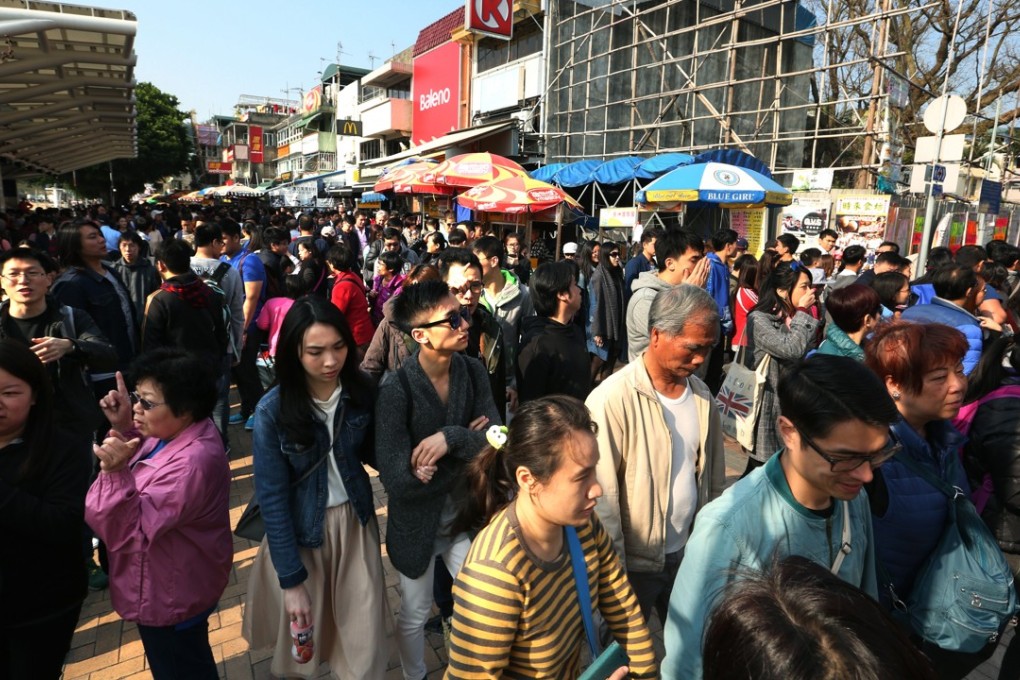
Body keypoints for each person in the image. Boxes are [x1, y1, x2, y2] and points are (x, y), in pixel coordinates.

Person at [662, 355, 898, 679]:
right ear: (789, 432)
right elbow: (686, 663)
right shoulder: (727, 530)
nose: (866, 475)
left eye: (876, 455)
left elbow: (865, 607)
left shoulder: (851, 501)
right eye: (845, 457)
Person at [444, 395, 657, 679]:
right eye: (582, 477)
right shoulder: (494, 577)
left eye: (595, 470)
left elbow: (623, 607)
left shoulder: (581, 524)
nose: (597, 490)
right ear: (528, 479)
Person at [242, 296, 389, 678]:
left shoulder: (360, 392)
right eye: (315, 352)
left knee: (364, 643)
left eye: (338, 347)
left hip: (355, 526)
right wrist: (290, 581)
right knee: (301, 652)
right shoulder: (274, 409)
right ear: (293, 351)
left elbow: (380, 454)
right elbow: (272, 496)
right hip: (300, 535)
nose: (330, 361)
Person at [862, 322, 1007, 675]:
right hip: (881, 632)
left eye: (959, 370)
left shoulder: (944, 440)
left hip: (929, 623)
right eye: (939, 377)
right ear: (892, 384)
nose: (958, 385)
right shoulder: (870, 458)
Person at [378, 280, 501, 680]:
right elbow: (396, 477)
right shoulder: (396, 389)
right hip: (415, 522)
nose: (464, 322)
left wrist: (449, 439)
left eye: (463, 314)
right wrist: (471, 444)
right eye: (452, 319)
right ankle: (416, 675)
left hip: (464, 515)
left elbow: (498, 438)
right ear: (420, 336)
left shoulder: (472, 369)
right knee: (414, 612)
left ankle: (470, 669)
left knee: (481, 598)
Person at [86, 349, 232, 679]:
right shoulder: (178, 434)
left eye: (148, 403)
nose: (137, 407)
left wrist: (113, 472)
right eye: (137, 397)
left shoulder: (191, 465)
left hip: (169, 594)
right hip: (175, 582)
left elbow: (126, 532)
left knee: (180, 668)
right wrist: (125, 427)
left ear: (186, 409)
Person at [588, 285, 727, 624]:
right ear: (656, 334)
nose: (700, 360)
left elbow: (714, 479)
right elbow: (603, 500)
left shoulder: (702, 395)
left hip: (689, 551)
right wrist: (614, 573)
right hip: (635, 564)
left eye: (707, 349)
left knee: (689, 643)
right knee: (623, 652)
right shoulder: (611, 400)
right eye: (693, 348)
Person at [0, 341, 89, 679]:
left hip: (41, 609)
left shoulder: (63, 449)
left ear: (35, 395)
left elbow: (63, 525)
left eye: (10, 392)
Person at [702, 555, 937, 680]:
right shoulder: (725, 525)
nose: (866, 475)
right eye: (840, 460)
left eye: (871, 460)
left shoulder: (856, 505)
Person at [746, 262, 820, 471]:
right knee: (764, 466)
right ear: (782, 291)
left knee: (777, 466)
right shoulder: (759, 319)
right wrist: (804, 311)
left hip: (793, 401)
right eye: (804, 287)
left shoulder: (796, 315)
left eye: (810, 286)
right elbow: (792, 349)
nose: (810, 291)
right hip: (769, 403)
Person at [53, 220, 137, 372]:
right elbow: (70, 334)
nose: (101, 240)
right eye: (92, 237)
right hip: (101, 371)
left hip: (128, 360)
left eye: (100, 235)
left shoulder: (111, 271)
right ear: (75, 245)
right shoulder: (71, 284)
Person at [438, 248, 508, 416]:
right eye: (459, 288)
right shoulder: (429, 330)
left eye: (475, 286)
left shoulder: (491, 328)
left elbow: (497, 391)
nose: (468, 295)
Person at [143, 239, 227, 372]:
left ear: (160, 265)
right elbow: (221, 334)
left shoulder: (158, 299)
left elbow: (151, 346)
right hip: (208, 369)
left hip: (176, 374)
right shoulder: (208, 291)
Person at [472, 235, 535, 411]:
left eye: (476, 260)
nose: (472, 266)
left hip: (507, 384)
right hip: (475, 381)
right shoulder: (469, 294)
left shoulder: (522, 295)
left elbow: (529, 343)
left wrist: (516, 383)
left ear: (494, 261)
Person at [627, 229, 709, 361]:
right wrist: (690, 294)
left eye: (702, 259)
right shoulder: (645, 299)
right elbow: (675, 340)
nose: (702, 266)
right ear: (670, 263)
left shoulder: (683, 290)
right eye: (694, 260)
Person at [516, 260, 590, 402]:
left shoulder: (575, 331)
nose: (580, 290)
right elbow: (531, 406)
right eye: (574, 285)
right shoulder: (537, 345)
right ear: (562, 294)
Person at [901, 264, 990, 374]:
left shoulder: (910, 311)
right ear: (969, 292)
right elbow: (966, 372)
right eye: (984, 290)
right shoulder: (969, 327)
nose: (985, 294)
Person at [221, 218, 267, 430]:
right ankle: (246, 408)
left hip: (250, 325)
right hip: (231, 325)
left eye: (223, 239)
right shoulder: (223, 259)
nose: (220, 244)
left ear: (236, 238)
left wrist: (244, 329)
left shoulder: (249, 261)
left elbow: (252, 297)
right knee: (237, 371)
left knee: (247, 370)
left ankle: (259, 411)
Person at [360, 264, 441, 382]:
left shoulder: (448, 324)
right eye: (411, 291)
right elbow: (371, 366)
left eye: (423, 292)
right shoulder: (390, 323)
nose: (416, 297)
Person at [325, 241, 375, 354]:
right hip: (365, 330)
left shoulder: (342, 286)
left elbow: (336, 314)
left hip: (356, 337)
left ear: (332, 264)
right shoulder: (352, 275)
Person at [704, 228, 738, 392]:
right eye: (735, 243)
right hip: (712, 324)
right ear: (728, 246)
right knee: (709, 372)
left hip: (720, 325)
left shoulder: (723, 266)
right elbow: (707, 297)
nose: (737, 247)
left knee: (716, 369)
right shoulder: (711, 265)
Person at [589, 241, 626, 384]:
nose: (617, 258)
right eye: (614, 255)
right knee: (597, 362)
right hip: (603, 326)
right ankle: (584, 395)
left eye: (619, 254)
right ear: (605, 255)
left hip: (616, 325)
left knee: (610, 362)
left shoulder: (616, 273)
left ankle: (603, 395)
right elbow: (595, 304)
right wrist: (597, 331)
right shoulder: (599, 276)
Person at [815, 284, 881, 361]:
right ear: (868, 320)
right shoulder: (835, 361)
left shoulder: (858, 347)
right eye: (879, 310)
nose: (880, 316)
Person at [112, 230, 160, 323]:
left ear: (139, 247)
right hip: (122, 321)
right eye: (124, 245)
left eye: (132, 245)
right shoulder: (114, 270)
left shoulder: (150, 270)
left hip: (146, 320)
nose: (128, 249)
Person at [624, 226, 662, 303]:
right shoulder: (634, 263)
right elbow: (629, 290)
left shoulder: (655, 263)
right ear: (644, 245)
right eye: (654, 244)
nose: (657, 247)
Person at [369, 250, 406, 326]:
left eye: (381, 264)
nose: (378, 266)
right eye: (378, 263)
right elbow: (374, 301)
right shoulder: (378, 280)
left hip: (389, 323)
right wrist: (371, 296)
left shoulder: (399, 286)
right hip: (376, 319)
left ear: (391, 269)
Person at [732, 256, 758, 352]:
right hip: (743, 342)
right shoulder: (745, 292)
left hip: (746, 341)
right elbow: (762, 309)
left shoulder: (750, 291)